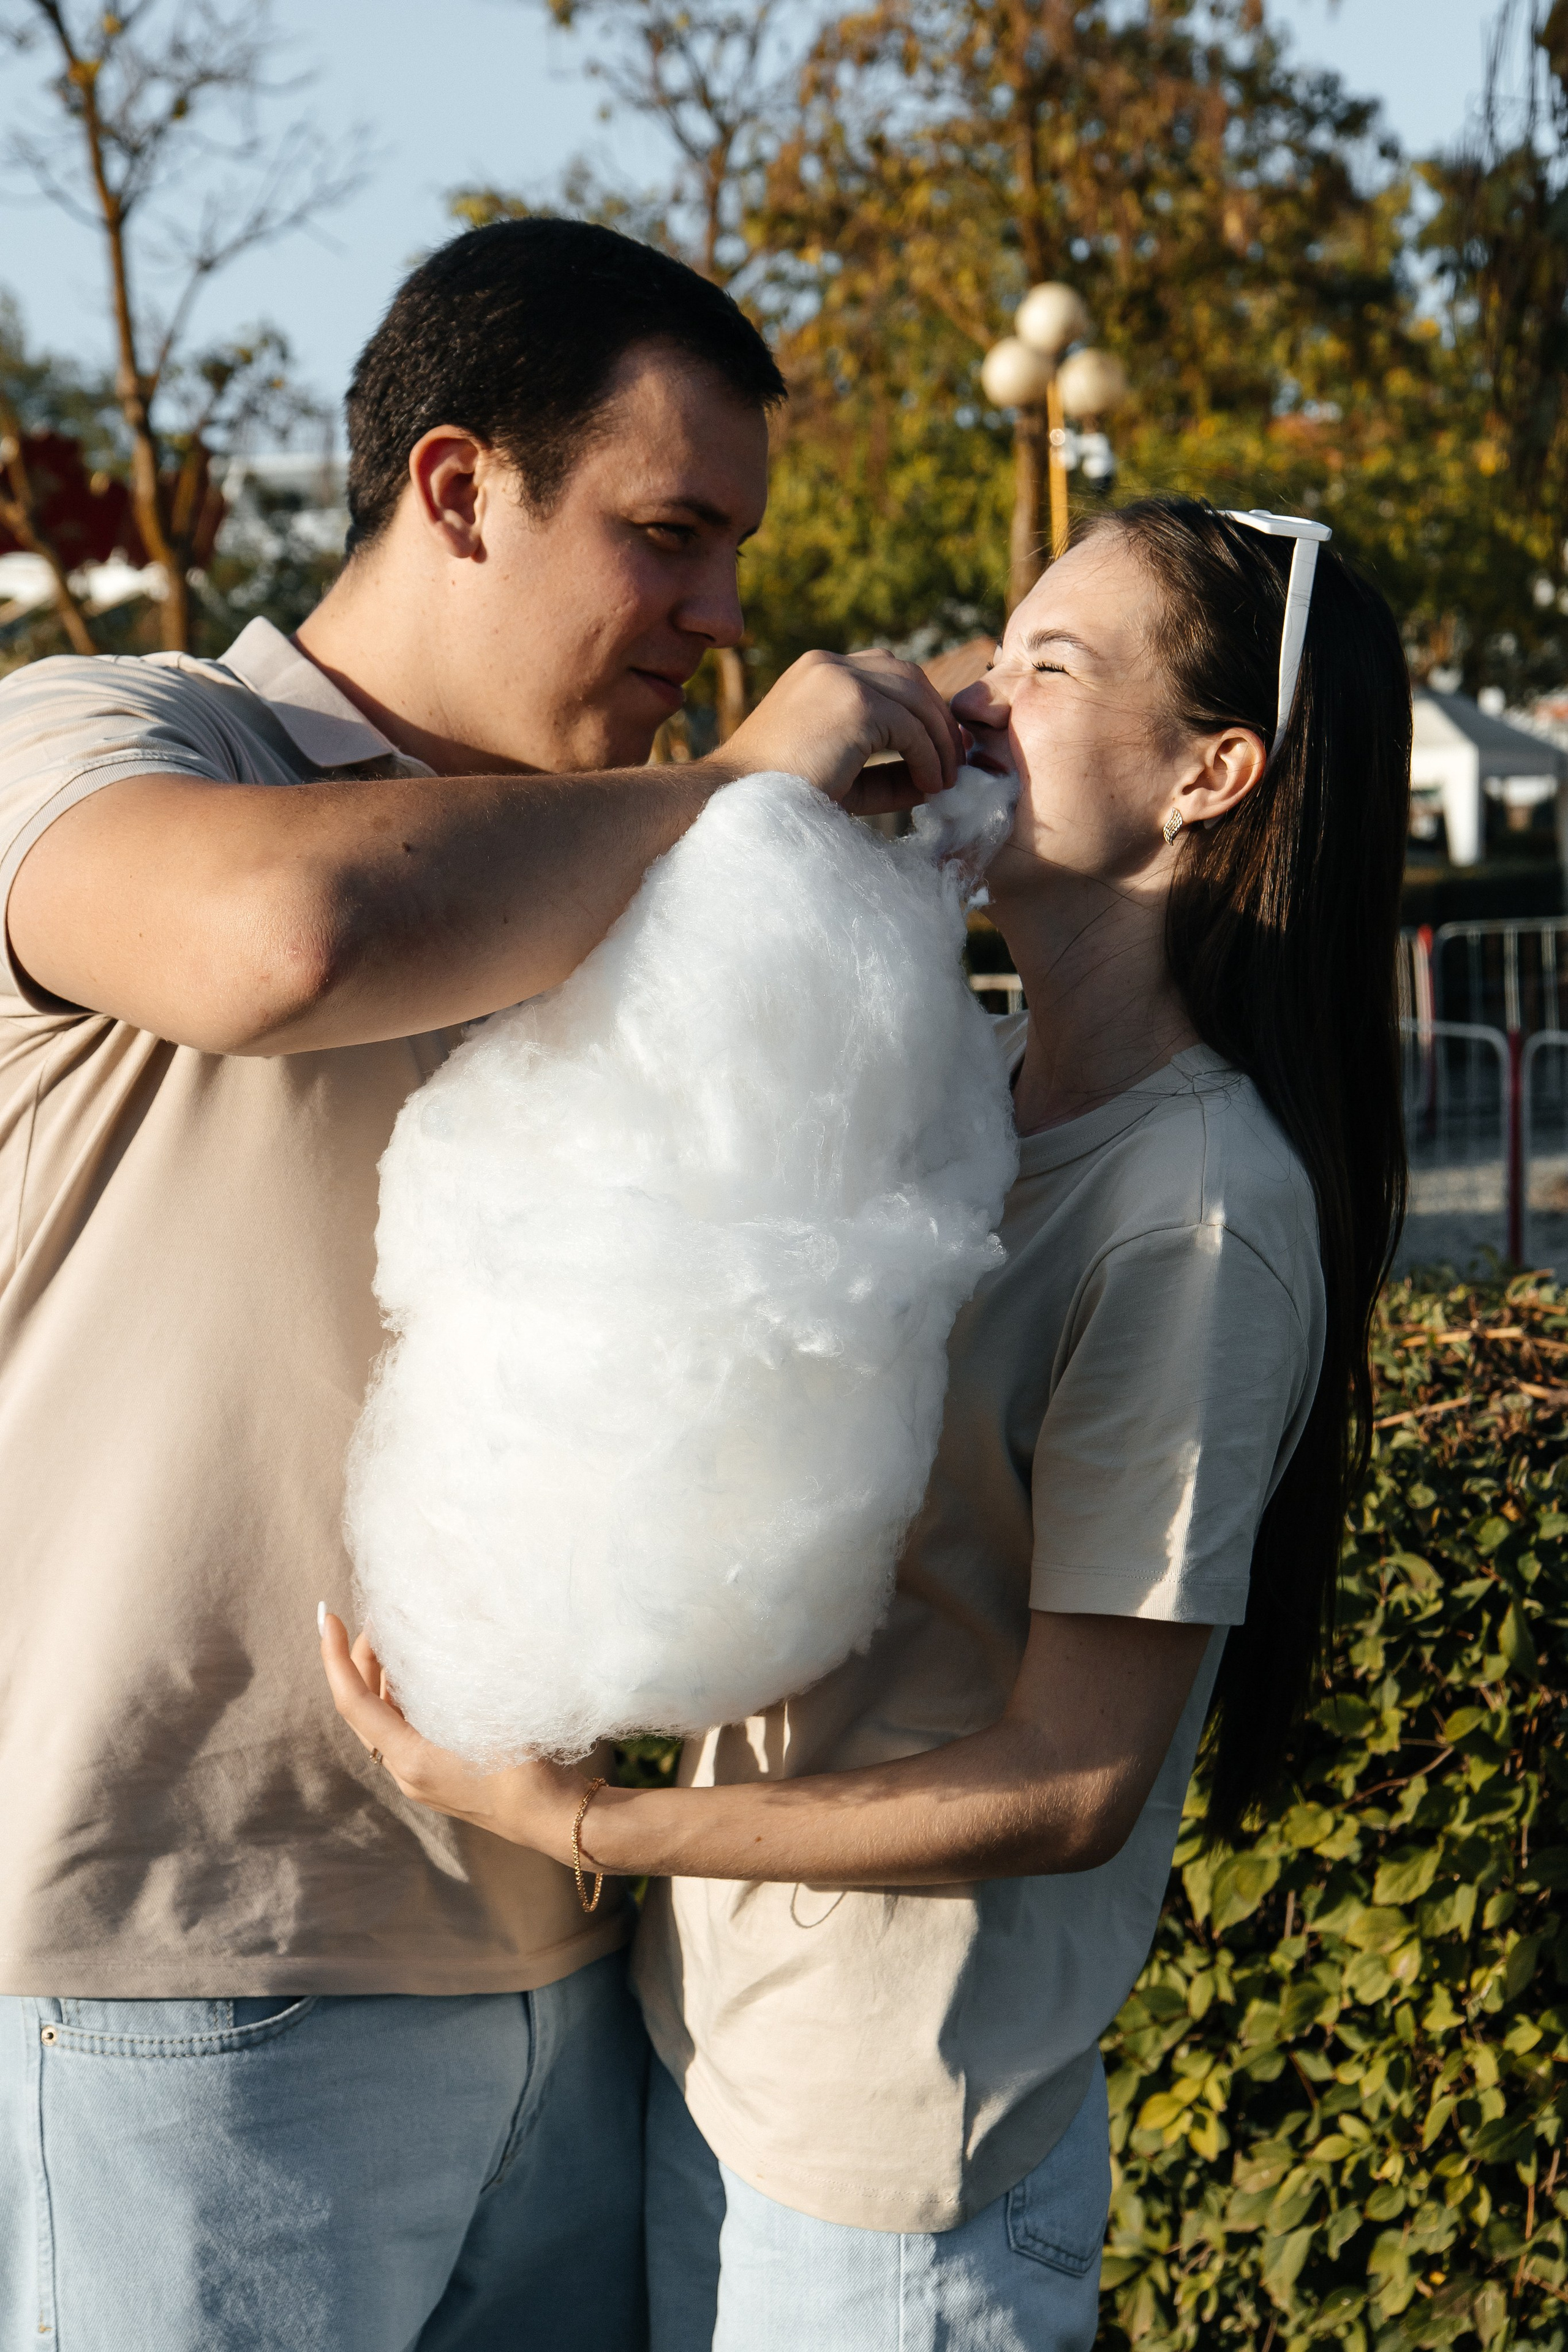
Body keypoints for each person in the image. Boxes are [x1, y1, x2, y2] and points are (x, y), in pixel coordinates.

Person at [0, 217, 965, 2352]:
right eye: (668, 534)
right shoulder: (105, 729)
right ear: (457, 488)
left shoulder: (632, 866)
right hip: (189, 1971)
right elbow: (289, 948)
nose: (719, 623)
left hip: (575, 1970)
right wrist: (726, 804)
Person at [323, 493, 1413, 2351]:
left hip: (895, 2168)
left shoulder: (1200, 1210)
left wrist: (582, 1819)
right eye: (995, 650)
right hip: (720, 2049)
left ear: (1212, 773)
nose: (976, 699)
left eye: (1049, 669)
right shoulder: (963, 1086)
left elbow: (1075, 1784)